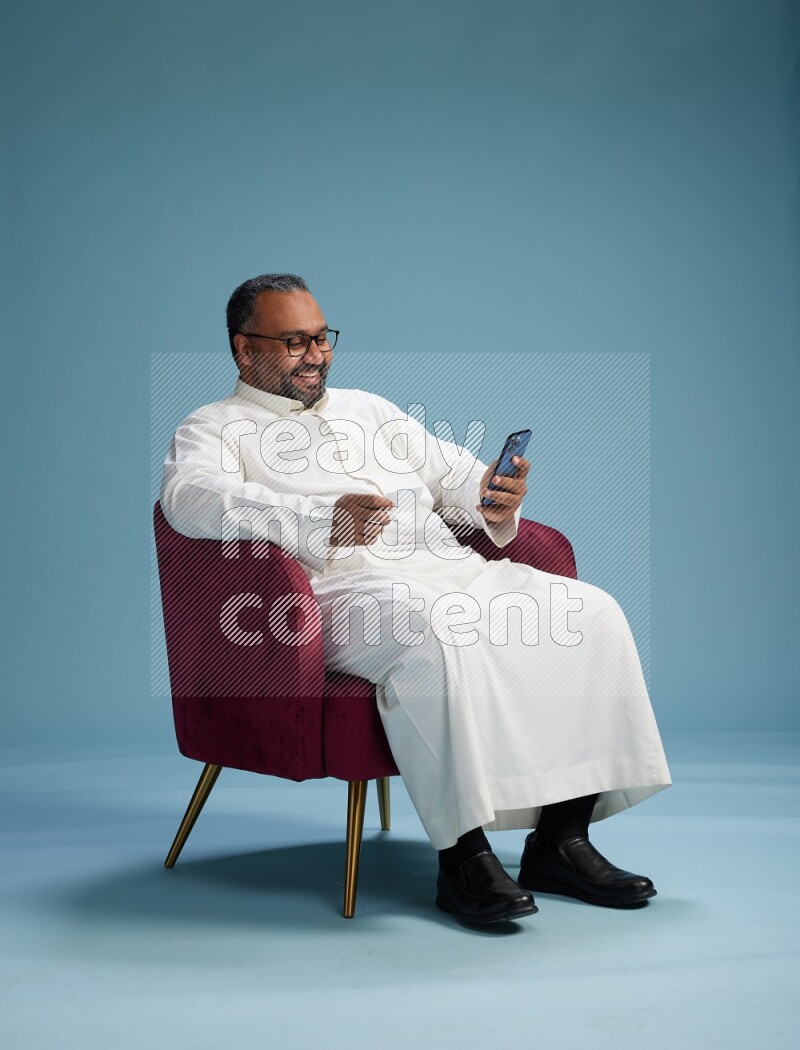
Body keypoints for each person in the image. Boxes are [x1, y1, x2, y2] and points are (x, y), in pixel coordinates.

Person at [161, 273, 671, 926]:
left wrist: (488, 492)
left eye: (322, 338)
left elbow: (448, 472)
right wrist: (319, 518)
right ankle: (464, 860)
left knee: (591, 614)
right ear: (243, 349)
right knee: (435, 634)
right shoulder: (212, 427)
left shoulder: (370, 409)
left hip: (443, 564)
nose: (317, 354)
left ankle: (561, 841)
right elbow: (191, 499)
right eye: (295, 342)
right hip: (335, 592)